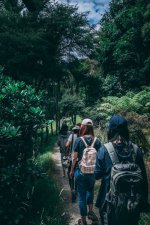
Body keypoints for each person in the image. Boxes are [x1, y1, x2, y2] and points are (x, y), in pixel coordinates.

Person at [94, 114, 148, 225]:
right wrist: (143, 203)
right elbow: (144, 180)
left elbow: (97, 175)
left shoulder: (104, 150)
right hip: (132, 204)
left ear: (111, 130)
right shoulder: (136, 150)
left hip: (109, 205)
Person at [70, 118, 101, 225]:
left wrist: (72, 170)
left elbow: (74, 158)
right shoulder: (97, 140)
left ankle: (83, 221)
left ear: (82, 127)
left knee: (81, 196)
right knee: (90, 191)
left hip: (81, 172)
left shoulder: (79, 140)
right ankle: (91, 212)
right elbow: (100, 157)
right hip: (92, 172)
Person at [66, 125, 80, 202]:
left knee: (70, 173)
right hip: (80, 160)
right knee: (77, 175)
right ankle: (77, 189)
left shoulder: (71, 136)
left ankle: (72, 189)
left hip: (72, 159)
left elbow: (67, 145)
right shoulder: (81, 137)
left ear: (73, 130)